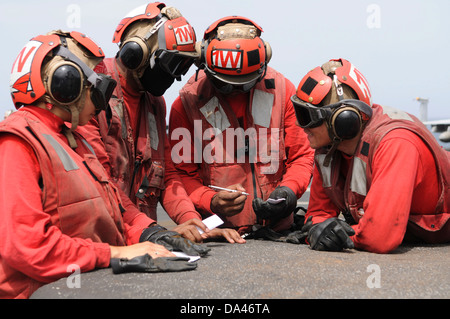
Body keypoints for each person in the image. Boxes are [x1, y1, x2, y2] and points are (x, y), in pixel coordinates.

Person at [0, 30, 209, 299]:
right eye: (97, 87)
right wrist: (116, 253)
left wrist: (148, 234)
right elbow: (26, 247)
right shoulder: (17, 142)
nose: (103, 102)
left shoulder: (75, 142)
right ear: (67, 84)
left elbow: (113, 212)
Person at [78, 3, 244, 244]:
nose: (176, 76)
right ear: (136, 54)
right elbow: (101, 183)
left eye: (183, 67)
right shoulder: (92, 95)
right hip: (98, 241)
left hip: (143, 242)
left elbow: (168, 176)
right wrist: (152, 230)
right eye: (172, 64)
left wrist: (193, 222)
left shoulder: (155, 103)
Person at [169, 16, 315, 236]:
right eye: (224, 85)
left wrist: (289, 191)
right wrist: (211, 201)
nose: (236, 91)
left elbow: (302, 156)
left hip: (277, 232)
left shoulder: (283, 92)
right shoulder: (187, 104)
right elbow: (181, 173)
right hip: (219, 237)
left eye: (245, 84)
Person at [291, 58, 450, 253]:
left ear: (342, 120)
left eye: (307, 117)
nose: (301, 125)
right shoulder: (328, 148)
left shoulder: (395, 142)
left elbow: (380, 237)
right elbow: (318, 215)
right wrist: (319, 231)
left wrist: (339, 237)